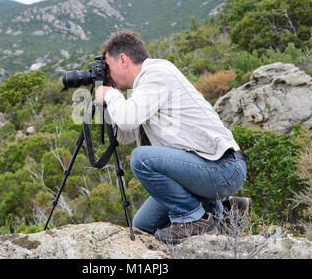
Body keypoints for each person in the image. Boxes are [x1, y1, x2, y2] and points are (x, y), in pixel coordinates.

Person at [95, 30, 249, 244]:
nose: (108, 75)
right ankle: (225, 215)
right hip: (199, 170)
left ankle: (192, 218)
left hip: (223, 168)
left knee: (141, 159)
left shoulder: (157, 73)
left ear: (122, 59)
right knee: (144, 227)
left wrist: (110, 94)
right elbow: (124, 135)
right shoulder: (142, 90)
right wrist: (104, 102)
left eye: (108, 68)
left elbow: (128, 119)